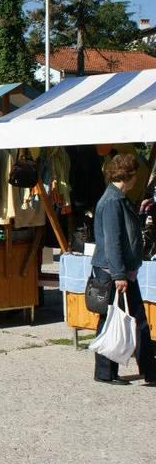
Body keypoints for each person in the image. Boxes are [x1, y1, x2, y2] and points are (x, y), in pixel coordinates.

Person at [91, 153, 155, 386]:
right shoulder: (112, 201)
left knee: (117, 320)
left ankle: (109, 372)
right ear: (130, 175)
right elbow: (113, 242)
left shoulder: (118, 198)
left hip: (119, 271)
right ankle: (144, 371)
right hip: (115, 273)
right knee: (128, 321)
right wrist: (119, 274)